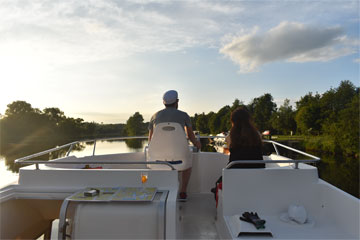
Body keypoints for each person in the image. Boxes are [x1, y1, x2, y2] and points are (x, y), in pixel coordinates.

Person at [148, 90, 201, 201]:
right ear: (177, 102)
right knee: (188, 163)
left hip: (158, 160)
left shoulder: (154, 116)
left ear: (164, 103)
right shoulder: (184, 115)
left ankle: (161, 189)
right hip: (180, 160)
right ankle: (183, 191)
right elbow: (190, 136)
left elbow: (150, 140)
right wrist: (197, 143)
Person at [212, 106, 264, 204]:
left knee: (218, 182)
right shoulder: (257, 135)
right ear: (249, 120)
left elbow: (228, 151)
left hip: (235, 171)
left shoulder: (230, 136)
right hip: (257, 170)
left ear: (233, 121)